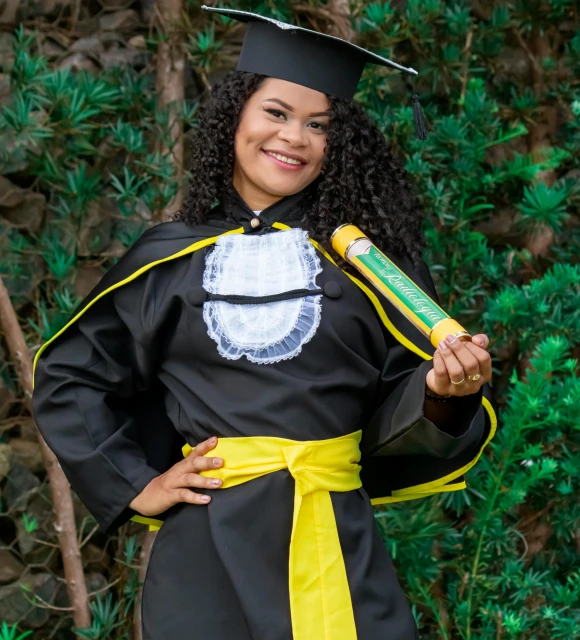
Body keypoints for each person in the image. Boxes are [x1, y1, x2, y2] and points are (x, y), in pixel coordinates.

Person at [32, 7, 497, 640]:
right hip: (206, 555)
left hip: (336, 540)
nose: (294, 138)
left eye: (318, 125)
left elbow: (401, 402)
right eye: (276, 113)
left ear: (341, 146)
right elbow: (69, 378)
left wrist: (444, 395)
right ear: (236, 118)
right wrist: (137, 486)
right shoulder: (170, 259)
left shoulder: (370, 264)